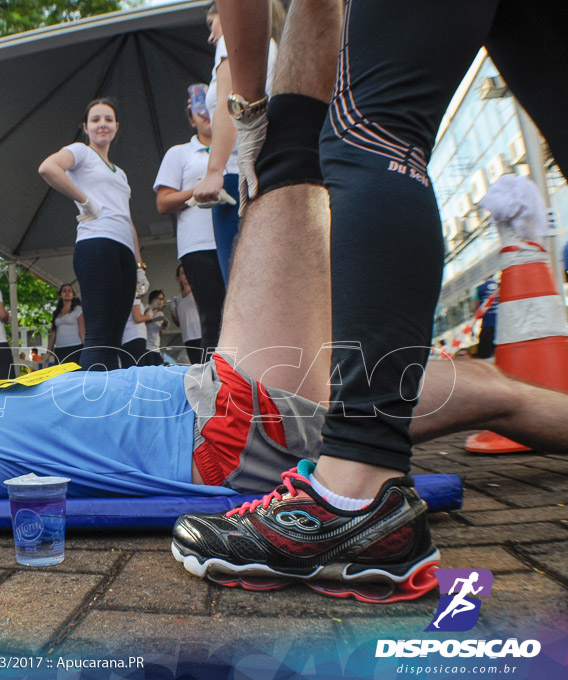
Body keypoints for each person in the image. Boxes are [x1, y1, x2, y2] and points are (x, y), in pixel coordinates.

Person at [0, 108, 568, 604]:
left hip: (224, 391)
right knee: (285, 164)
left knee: (494, 389)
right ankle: (280, 50)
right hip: (229, 422)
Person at [196, 0, 568, 598]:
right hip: (247, 407)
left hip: (241, 407)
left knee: (372, 131)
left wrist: (248, 111)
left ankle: (357, 489)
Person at [38, 99, 148, 371]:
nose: (103, 124)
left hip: (124, 250)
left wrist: (139, 264)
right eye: (96, 119)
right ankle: (92, 406)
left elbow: (127, 217)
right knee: (98, 334)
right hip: (97, 244)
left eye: (108, 119)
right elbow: (48, 168)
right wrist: (85, 200)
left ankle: (107, 400)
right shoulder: (81, 152)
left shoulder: (120, 173)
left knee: (115, 337)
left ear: (116, 126)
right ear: (85, 127)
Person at [191, 1, 280, 282]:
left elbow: (231, 105)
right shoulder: (275, 47)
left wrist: (214, 171)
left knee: (240, 287)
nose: (210, 34)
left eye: (211, 22)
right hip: (268, 171)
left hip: (236, 179)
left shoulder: (233, 40)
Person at [154, 87, 225, 355]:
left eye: (212, 106)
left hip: (237, 240)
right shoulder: (179, 153)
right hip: (199, 245)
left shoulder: (238, 148)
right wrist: (199, 189)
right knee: (213, 316)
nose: (206, 113)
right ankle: (216, 383)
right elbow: (163, 202)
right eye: (200, 109)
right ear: (191, 118)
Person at [171, 266, 203, 365]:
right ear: (178, 278)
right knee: (196, 365)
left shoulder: (197, 292)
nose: (186, 275)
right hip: (188, 337)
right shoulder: (177, 299)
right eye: (182, 273)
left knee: (205, 363)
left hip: (200, 334)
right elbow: (177, 322)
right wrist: (173, 311)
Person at [47, 283, 85, 365]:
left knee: (75, 374)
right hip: (60, 348)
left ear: (73, 295)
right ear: (60, 295)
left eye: (69, 291)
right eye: (64, 291)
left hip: (75, 347)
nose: (67, 293)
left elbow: (82, 329)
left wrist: (86, 347)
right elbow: (53, 333)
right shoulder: (56, 312)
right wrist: (48, 352)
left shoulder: (78, 309)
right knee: (61, 374)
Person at [120, 292, 151, 368]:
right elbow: (137, 318)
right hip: (136, 335)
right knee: (137, 369)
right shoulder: (134, 294)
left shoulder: (120, 295)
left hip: (125, 338)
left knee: (128, 368)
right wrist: (149, 316)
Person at [474, 276, 499, 360]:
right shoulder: (500, 286)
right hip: (503, 325)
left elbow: (477, 313)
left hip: (487, 325)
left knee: (484, 356)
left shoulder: (478, 289)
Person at [143, 290, 168, 366]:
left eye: (162, 299)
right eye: (158, 298)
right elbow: (141, 321)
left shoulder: (160, 313)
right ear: (151, 299)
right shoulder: (147, 308)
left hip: (156, 347)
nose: (160, 301)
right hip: (147, 346)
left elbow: (160, 333)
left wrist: (164, 325)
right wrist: (152, 320)